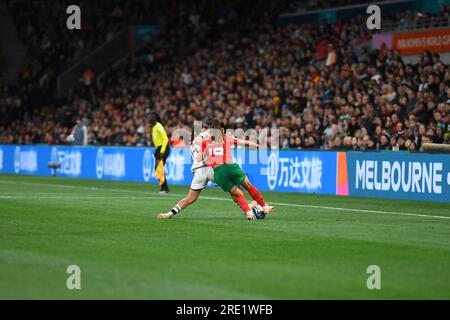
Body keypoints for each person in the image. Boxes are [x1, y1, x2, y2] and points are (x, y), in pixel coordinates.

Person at [199, 118, 273, 220]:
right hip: (230, 167)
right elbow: (244, 142)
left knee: (238, 194)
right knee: (248, 185)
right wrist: (257, 145)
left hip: (218, 173)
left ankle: (249, 213)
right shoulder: (226, 138)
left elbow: (200, 158)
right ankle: (264, 206)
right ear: (222, 130)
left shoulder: (205, 142)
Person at [157, 128, 214, 219]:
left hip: (199, 172)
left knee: (190, 199)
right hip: (210, 168)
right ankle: (245, 209)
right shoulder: (202, 140)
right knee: (233, 188)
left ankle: (169, 214)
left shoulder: (192, 144)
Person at [149, 112, 170, 194]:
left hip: (163, 148)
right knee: (158, 169)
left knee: (159, 168)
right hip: (159, 148)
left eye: (151, 117)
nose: (149, 118)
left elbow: (165, 139)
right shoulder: (154, 127)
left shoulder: (159, 126)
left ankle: (164, 188)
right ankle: (164, 187)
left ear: (155, 118)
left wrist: (161, 151)